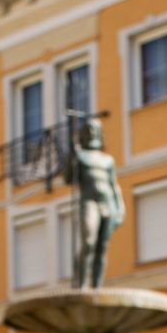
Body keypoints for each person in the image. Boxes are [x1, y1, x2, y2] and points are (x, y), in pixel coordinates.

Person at [63, 117, 124, 288]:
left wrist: (120, 208)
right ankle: (81, 285)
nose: (91, 133)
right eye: (88, 130)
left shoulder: (107, 160)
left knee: (101, 248)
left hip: (108, 204)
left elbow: (114, 186)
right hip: (89, 202)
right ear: (84, 134)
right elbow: (68, 179)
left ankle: (97, 287)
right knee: (89, 242)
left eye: (94, 129)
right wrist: (71, 156)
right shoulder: (80, 156)